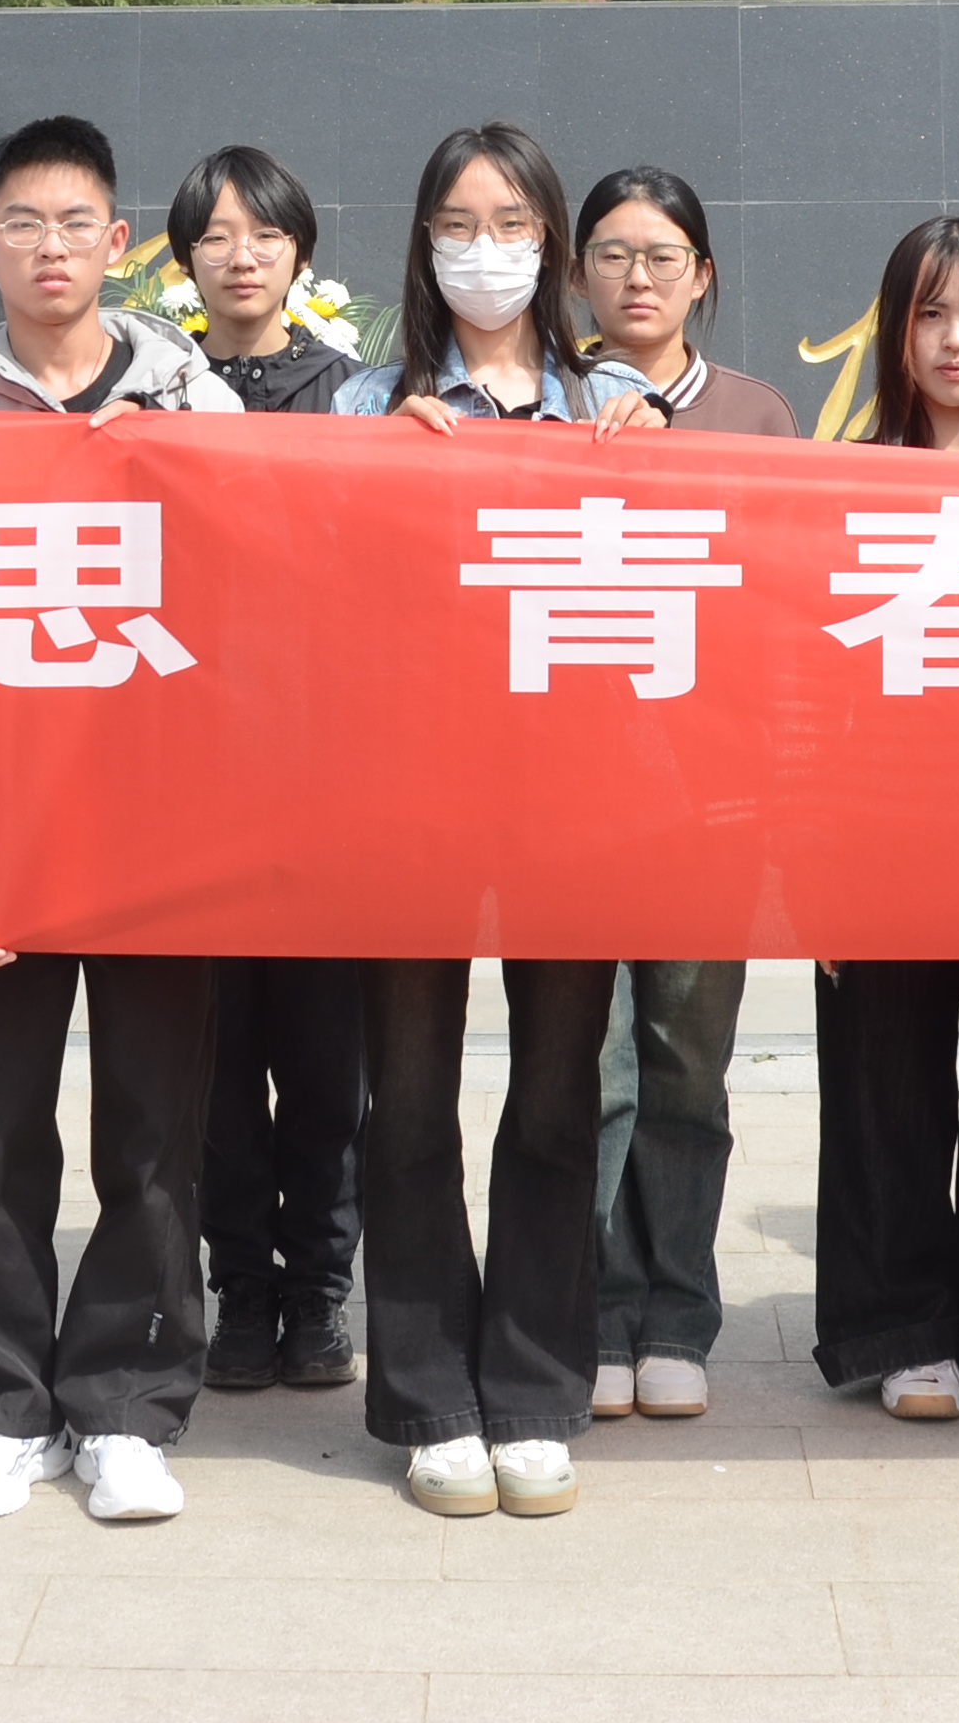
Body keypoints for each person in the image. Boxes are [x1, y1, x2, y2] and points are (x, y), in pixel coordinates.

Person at [0, 115, 244, 1525]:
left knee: (154, 1127)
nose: (49, 248)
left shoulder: (197, 409)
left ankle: (125, 1404)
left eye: (75, 224)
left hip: (162, 825)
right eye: (21, 224)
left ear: (119, 244)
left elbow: (257, 597)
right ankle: (3, 1408)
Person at [335, 126, 647, 1516]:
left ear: (552, 245)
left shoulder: (613, 399)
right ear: (422, 242)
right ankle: (424, 1397)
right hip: (407, 801)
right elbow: (315, 586)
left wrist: (650, 457)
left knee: (558, 1096)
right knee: (406, 1100)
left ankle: (532, 1388)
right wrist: (373, 472)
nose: (486, 248)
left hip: (577, 805)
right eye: (458, 223)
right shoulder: (366, 402)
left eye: (513, 222)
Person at [814, 215, 959, 1437]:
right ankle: (898, 1325)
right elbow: (802, 689)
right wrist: (811, 867)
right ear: (893, 333)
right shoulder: (839, 483)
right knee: (885, 1092)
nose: (954, 341)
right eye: (928, 315)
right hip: (880, 839)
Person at [568, 164, 784, 1427]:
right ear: (576, 274)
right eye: (610, 253)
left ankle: (676, 1316)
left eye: (660, 256)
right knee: (592, 1074)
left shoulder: (755, 416)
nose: (635, 277)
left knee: (686, 1072)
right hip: (578, 803)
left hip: (712, 804)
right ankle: (596, 1312)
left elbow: (786, 612)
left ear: (701, 275)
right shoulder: (545, 408)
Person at [171, 143, 369, 1400]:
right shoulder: (154, 391)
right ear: (183, 258)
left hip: (323, 781)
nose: (240, 257)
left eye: (264, 235)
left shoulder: (354, 397)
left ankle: (318, 1291)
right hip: (193, 779)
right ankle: (238, 1287)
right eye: (215, 236)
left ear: (300, 253)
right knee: (217, 1061)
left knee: (324, 1060)